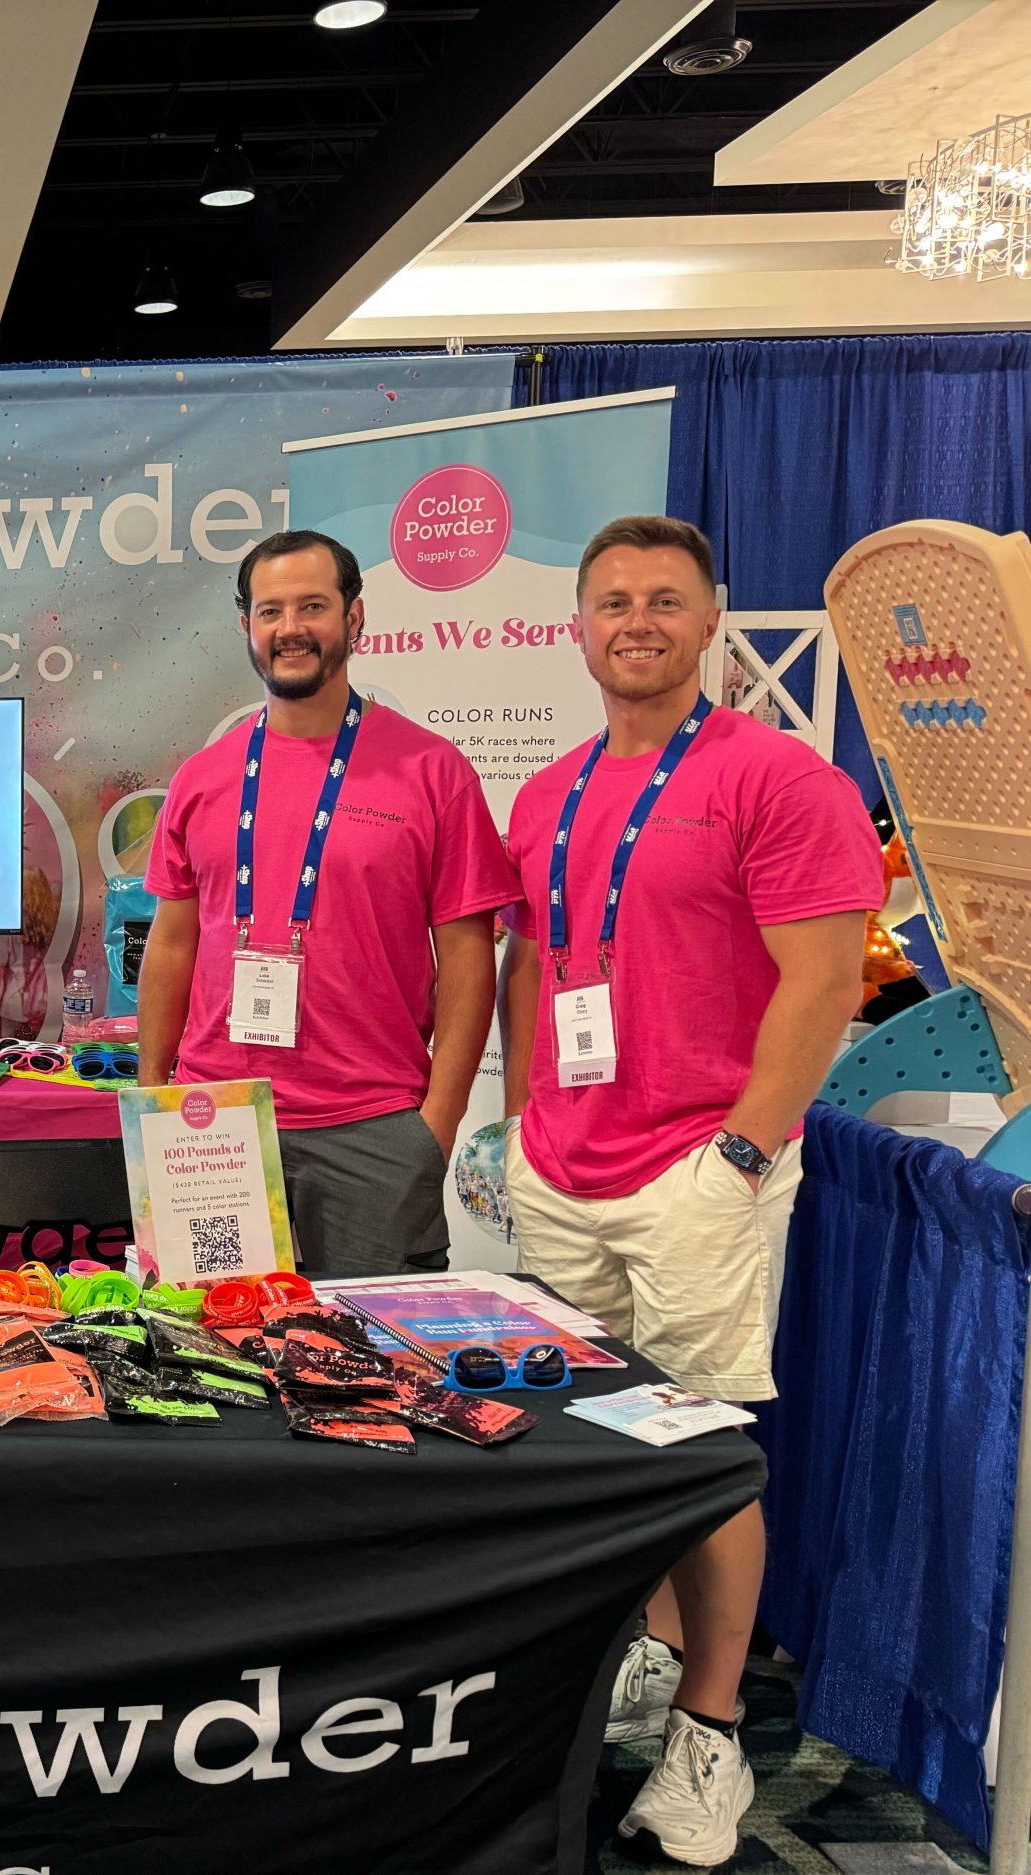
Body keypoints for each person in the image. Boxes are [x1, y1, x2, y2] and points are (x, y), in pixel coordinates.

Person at [498, 515, 879, 1867]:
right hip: (563, 1166)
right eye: (612, 601)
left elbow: (823, 980)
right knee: (594, 1436)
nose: (637, 622)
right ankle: (653, 1649)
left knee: (703, 1451)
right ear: (577, 626)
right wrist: (520, 1121)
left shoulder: (776, 777)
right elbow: (537, 965)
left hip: (698, 1166)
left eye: (664, 599)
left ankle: (711, 1733)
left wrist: (744, 1153)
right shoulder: (548, 793)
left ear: (711, 618)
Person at [138, 528, 518, 1276]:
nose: (291, 628)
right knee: (214, 1341)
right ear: (246, 625)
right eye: (271, 610)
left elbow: (468, 957)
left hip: (372, 1131)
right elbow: (173, 943)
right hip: (214, 1127)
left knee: (375, 1347)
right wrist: (156, 1098)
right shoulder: (202, 778)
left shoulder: (433, 772)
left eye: (312, 606)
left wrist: (434, 1127)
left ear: (354, 615)